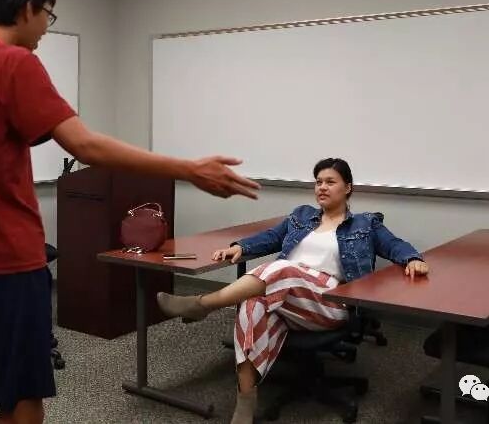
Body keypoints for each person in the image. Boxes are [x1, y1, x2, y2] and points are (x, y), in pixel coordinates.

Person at [0, 0, 260, 424]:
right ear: (27, 8)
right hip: (3, 260)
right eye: (47, 15)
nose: (45, 29)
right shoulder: (14, 63)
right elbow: (85, 145)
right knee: (20, 396)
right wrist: (188, 169)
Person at [156, 157, 428, 424]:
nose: (322, 187)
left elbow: (395, 245)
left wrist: (413, 258)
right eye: (318, 182)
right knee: (252, 305)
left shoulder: (365, 224)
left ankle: (203, 304)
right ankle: (245, 402)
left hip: (331, 301)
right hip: (286, 293)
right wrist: (240, 246)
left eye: (330, 182)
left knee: (283, 269)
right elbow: (271, 237)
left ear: (347, 188)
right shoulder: (302, 216)